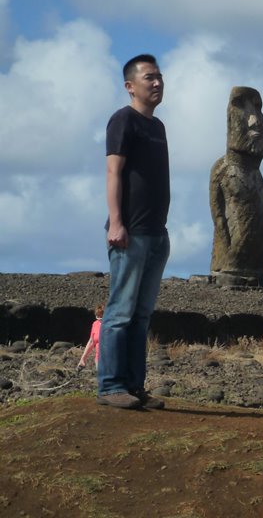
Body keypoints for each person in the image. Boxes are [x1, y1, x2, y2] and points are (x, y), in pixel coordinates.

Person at [98, 54, 170, 410]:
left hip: (157, 234)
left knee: (141, 315)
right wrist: (116, 221)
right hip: (130, 231)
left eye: (159, 77)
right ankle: (111, 387)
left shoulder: (157, 127)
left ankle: (134, 386)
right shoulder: (122, 120)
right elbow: (114, 172)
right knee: (120, 312)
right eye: (149, 78)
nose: (156, 83)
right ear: (130, 86)